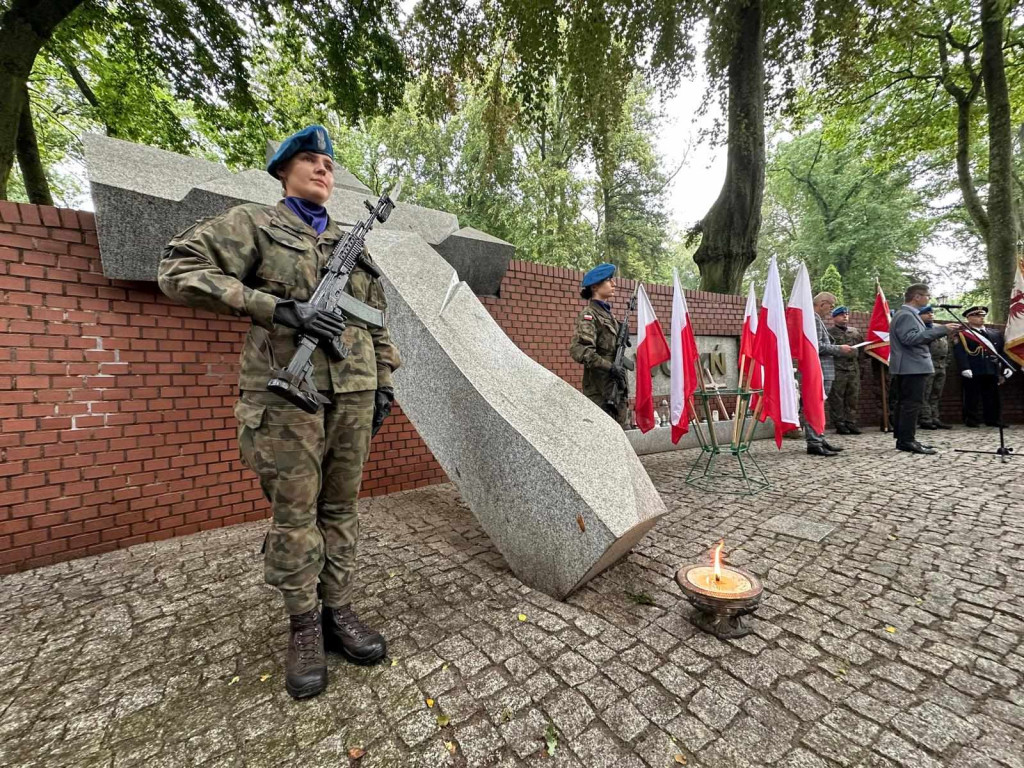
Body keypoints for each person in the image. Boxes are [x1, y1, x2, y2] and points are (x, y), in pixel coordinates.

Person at [158, 125, 401, 700]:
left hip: (354, 392)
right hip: (286, 397)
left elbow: (376, 322)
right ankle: (303, 625)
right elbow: (177, 269)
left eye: (329, 164)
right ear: (284, 170)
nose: (324, 171)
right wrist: (278, 308)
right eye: (311, 161)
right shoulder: (254, 225)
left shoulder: (351, 242)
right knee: (296, 516)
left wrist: (385, 382)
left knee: (341, 508)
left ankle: (337, 611)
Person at [889, 284, 954, 454]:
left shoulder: (909, 314)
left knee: (907, 404)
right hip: (911, 366)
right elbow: (910, 339)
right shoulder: (906, 315)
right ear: (916, 297)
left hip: (911, 365)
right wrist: (942, 330)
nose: (928, 299)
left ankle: (904, 438)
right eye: (927, 295)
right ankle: (907, 440)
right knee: (911, 404)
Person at [570, 263, 630, 427]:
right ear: (596, 285)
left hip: (616, 387)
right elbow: (580, 350)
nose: (614, 284)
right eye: (609, 280)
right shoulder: (589, 315)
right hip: (600, 392)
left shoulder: (609, 316)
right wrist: (610, 367)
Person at [805, 293, 854, 456]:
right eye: (831, 306)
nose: (830, 310)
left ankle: (819, 437)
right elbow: (816, 346)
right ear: (822, 303)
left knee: (819, 406)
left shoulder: (814, 318)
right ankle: (814, 442)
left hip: (823, 369)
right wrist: (840, 349)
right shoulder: (813, 318)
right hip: (820, 369)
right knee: (814, 406)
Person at [952, 306, 1006, 428]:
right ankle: (971, 419)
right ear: (969, 318)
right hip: (974, 368)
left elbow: (1002, 352)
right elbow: (960, 352)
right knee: (972, 395)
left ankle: (993, 419)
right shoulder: (963, 334)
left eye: (982, 316)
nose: (981, 318)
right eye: (977, 316)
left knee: (992, 395)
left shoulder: (995, 333)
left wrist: (1003, 367)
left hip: (992, 368)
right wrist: (965, 367)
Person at [826, 306, 863, 435]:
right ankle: (839, 423)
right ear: (834, 317)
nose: (845, 317)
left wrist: (861, 368)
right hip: (838, 369)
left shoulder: (855, 332)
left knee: (853, 397)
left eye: (846, 314)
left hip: (853, 369)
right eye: (842, 315)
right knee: (837, 398)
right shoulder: (829, 333)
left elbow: (861, 352)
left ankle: (851, 422)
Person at [917, 305, 952, 430]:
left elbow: (948, 347)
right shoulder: (920, 329)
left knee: (937, 392)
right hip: (927, 364)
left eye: (932, 313)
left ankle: (935, 417)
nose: (931, 315)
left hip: (941, 364)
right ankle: (925, 418)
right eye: (927, 313)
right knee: (925, 392)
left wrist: (946, 362)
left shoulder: (939, 328)